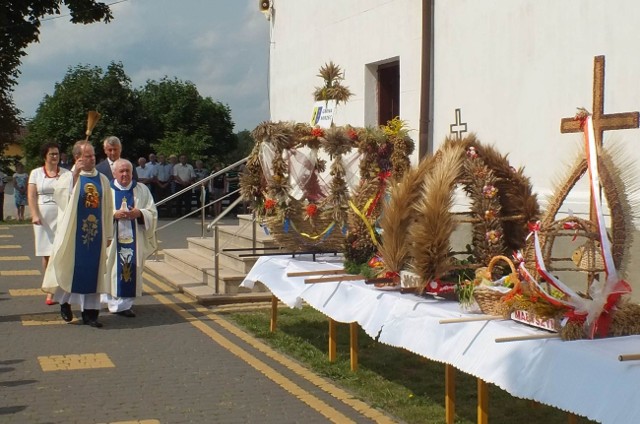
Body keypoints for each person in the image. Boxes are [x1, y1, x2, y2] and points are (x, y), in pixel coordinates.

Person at [42, 141, 114, 328]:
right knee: (69, 269)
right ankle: (64, 302)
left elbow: (107, 209)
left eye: (93, 155)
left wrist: (108, 233)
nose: (92, 159)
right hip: (73, 236)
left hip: (96, 234)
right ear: (77, 158)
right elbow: (62, 199)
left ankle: (91, 314)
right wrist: (75, 175)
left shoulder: (103, 180)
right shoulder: (68, 177)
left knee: (93, 273)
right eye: (88, 156)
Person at [102, 159, 157, 317]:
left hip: (135, 238)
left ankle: (125, 305)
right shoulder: (107, 190)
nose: (125, 174)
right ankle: (112, 301)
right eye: (121, 171)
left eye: (128, 171)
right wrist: (114, 214)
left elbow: (152, 212)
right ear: (114, 173)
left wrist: (139, 213)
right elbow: (99, 212)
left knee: (131, 268)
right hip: (112, 239)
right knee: (111, 269)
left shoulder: (142, 189)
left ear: (132, 173)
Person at [27, 142, 70, 306]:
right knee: (47, 254)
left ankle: (63, 287)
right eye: (52, 154)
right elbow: (31, 196)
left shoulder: (66, 173)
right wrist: (34, 214)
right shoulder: (36, 173)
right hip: (43, 217)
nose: (55, 157)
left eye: (57, 154)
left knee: (60, 253)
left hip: (61, 215)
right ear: (45, 156)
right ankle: (50, 290)